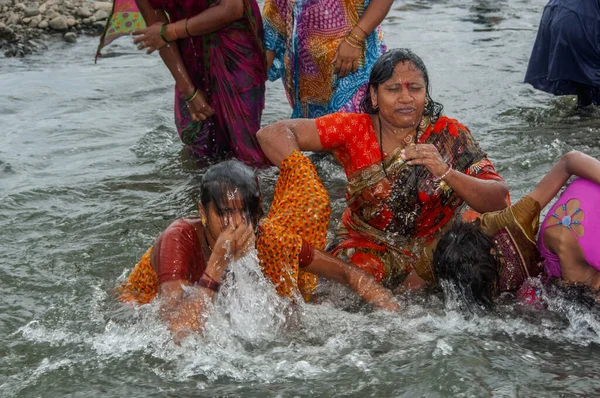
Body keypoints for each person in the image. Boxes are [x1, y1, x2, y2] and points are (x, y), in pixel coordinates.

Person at [257, 48, 510, 291]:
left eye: (415, 88)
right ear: (375, 96)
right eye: (393, 89)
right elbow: (272, 133)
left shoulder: (449, 134)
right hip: (368, 244)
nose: (406, 97)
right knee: (334, 293)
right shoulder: (355, 130)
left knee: (480, 259)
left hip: (435, 245)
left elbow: (499, 198)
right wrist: (304, 177)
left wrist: (446, 172)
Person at [119, 152, 399, 338]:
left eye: (246, 213)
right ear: (202, 213)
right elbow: (176, 331)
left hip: (206, 303)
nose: (236, 224)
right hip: (138, 310)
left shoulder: (268, 238)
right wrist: (217, 261)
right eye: (225, 212)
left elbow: (346, 273)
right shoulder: (179, 239)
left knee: (294, 311)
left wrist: (394, 315)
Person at [96, 0, 270, 166]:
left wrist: (171, 31)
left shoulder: (174, 30)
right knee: (198, 142)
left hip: (234, 48)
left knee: (244, 143)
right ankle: (200, 193)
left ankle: (260, 191)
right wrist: (189, 91)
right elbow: (157, 33)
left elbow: (231, 8)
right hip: (190, 54)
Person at [433, 151, 600, 310]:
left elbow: (570, 160)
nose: (505, 287)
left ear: (495, 254)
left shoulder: (557, 243)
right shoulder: (543, 244)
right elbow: (568, 162)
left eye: (497, 285)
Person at [262, 0, 391, 118]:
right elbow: (275, 22)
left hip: (355, 65)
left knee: (355, 129)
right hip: (308, 82)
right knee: (313, 136)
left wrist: (355, 38)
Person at [524, 0, 600, 108]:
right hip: (581, 19)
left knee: (585, 88)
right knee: (591, 82)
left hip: (554, 11)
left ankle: (578, 116)